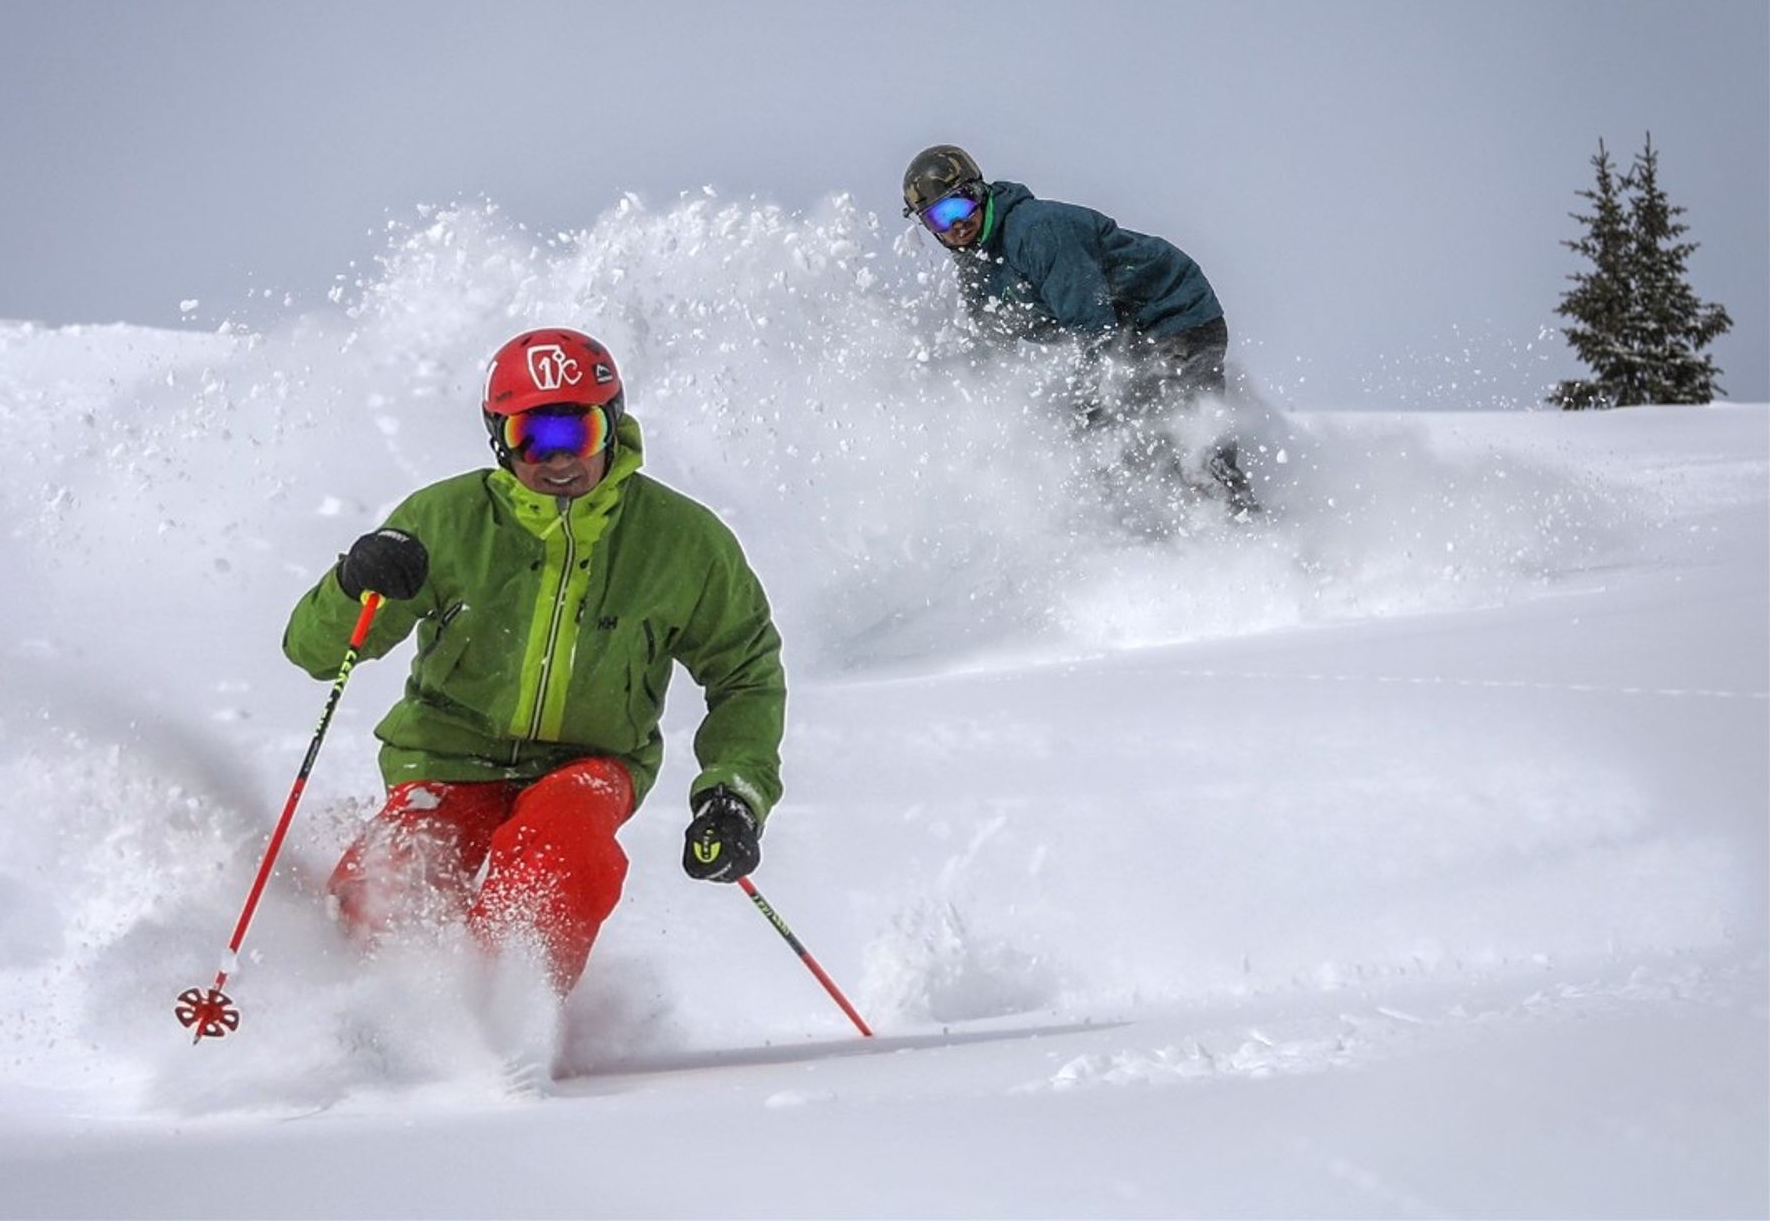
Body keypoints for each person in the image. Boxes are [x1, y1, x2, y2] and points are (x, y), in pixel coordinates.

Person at [282, 327, 786, 995]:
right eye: (531, 437)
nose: (556, 461)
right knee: (394, 877)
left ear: (610, 425)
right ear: (499, 438)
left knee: (565, 843)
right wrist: (355, 584)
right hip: (445, 758)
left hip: (588, 761)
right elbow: (313, 652)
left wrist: (735, 791)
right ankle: (356, 1015)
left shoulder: (683, 542)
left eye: (574, 432)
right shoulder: (445, 520)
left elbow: (744, 671)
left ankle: (498, 1015)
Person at [901, 143, 1256, 514]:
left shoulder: (1036, 232)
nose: (955, 224)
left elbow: (1094, 325)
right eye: (938, 219)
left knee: (1184, 442)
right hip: (1127, 334)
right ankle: (1162, 548)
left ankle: (1246, 531)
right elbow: (988, 354)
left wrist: (1090, 409)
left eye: (959, 205)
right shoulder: (976, 271)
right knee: (1129, 451)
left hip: (1173, 313)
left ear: (978, 191)